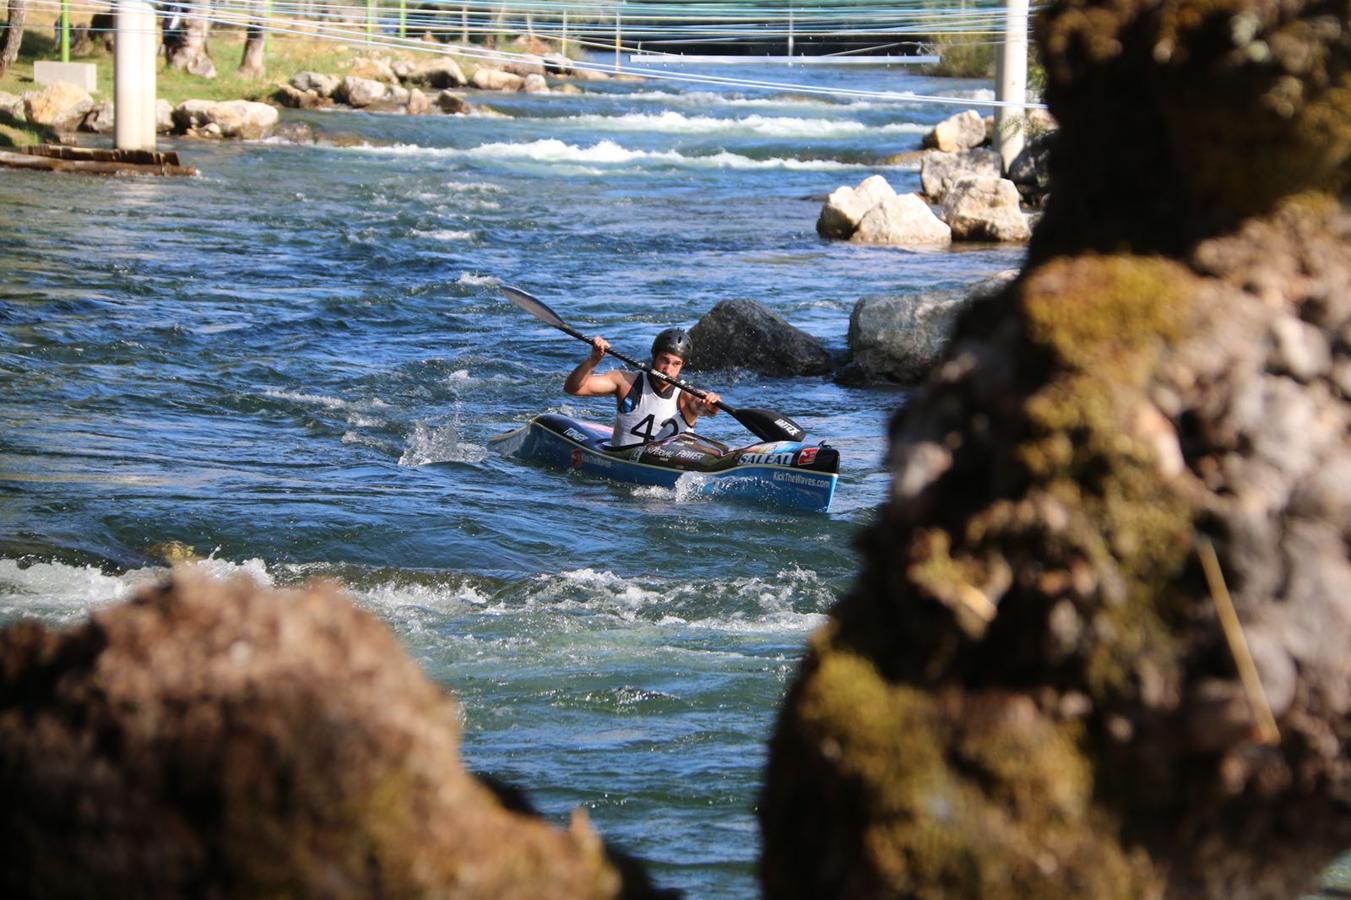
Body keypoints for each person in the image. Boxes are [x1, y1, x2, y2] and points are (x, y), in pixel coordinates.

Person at [564, 328, 721, 446]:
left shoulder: (686, 396)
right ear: (653, 355)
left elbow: (702, 405)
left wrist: (710, 404)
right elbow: (574, 388)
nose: (668, 370)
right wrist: (593, 361)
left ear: (683, 365)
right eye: (664, 360)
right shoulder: (626, 381)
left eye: (676, 364)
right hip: (622, 462)